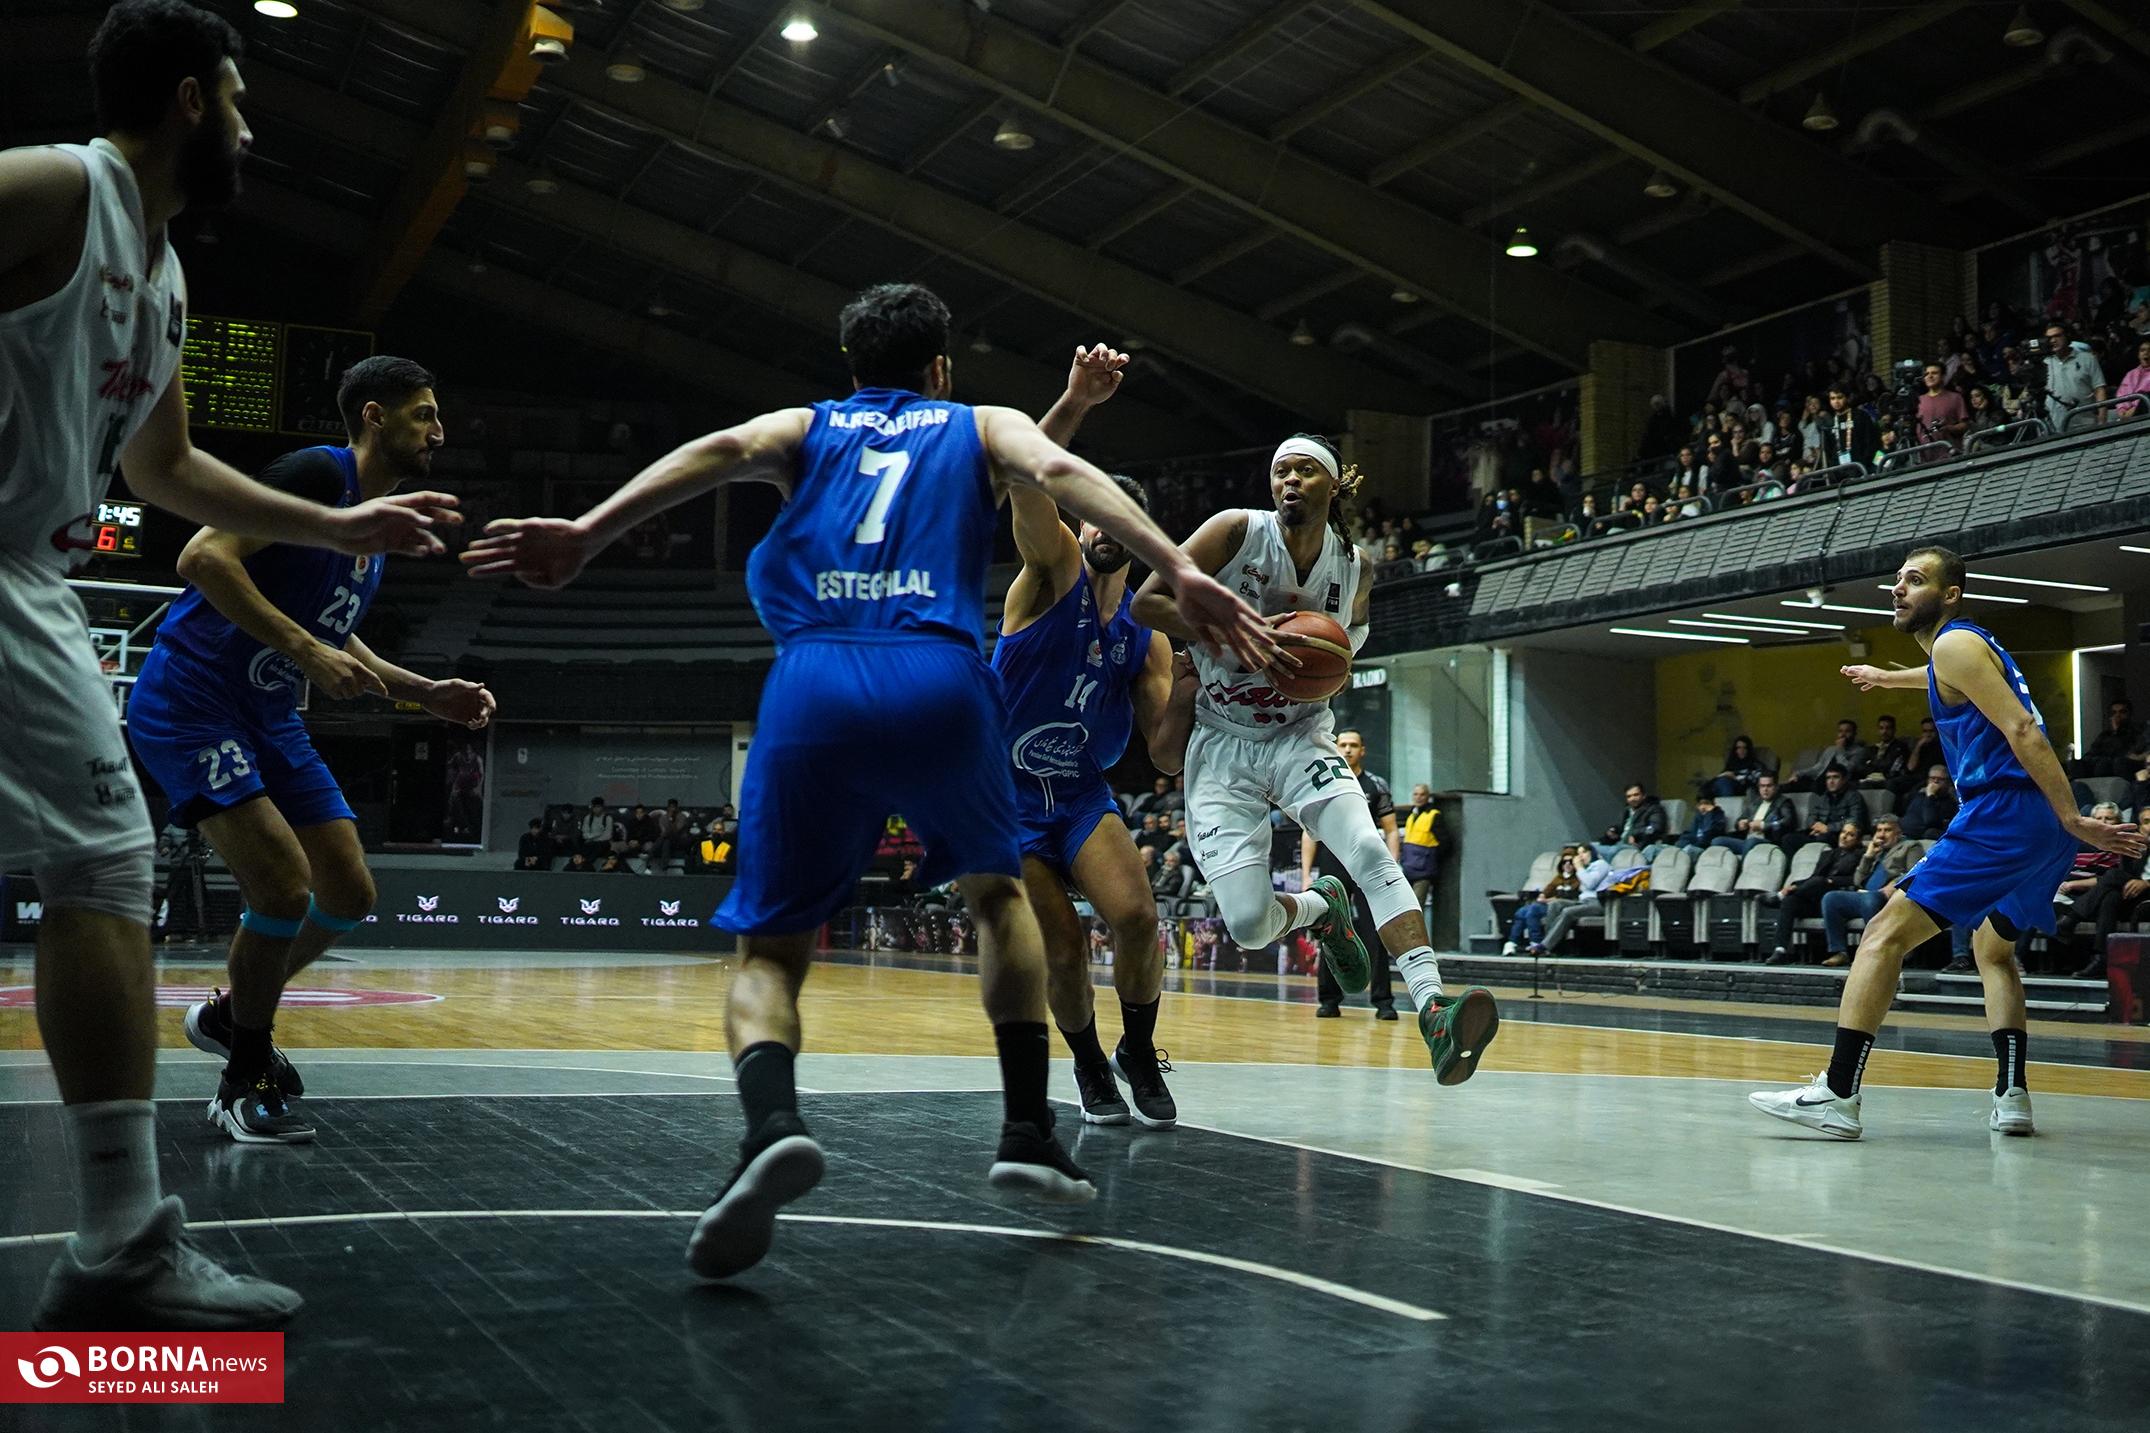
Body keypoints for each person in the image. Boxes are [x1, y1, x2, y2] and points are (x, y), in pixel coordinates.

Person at [462, 281, 1271, 1279]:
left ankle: (771, 1124)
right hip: (940, 677)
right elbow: (1059, 468)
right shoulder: (976, 424)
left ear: (851, 367)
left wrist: (588, 530)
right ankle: (1026, 1125)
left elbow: (714, 452)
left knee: (769, 952)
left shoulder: (807, 426)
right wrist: (1178, 569)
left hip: (817, 677)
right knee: (997, 900)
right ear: (941, 367)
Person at [3, 0, 459, 1331]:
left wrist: (341, 529)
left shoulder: (160, 276)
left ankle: (121, 1235)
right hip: (29, 576)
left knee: (106, 862)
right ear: (193, 98)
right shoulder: (59, 188)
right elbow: (201, 542)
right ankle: (120, 1236)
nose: (253, 130)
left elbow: (166, 470)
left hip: (32, 570)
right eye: (243, 101)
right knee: (106, 861)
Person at [130, 356, 495, 1146]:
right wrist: (304, 650)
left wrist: (424, 691)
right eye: (425, 414)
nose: (439, 431)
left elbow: (335, 631)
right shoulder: (319, 475)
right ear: (373, 415)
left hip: (265, 713)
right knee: (282, 887)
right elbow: (203, 557)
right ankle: (244, 1076)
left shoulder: (370, 525)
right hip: (193, 701)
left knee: (349, 891)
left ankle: (232, 1014)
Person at [1132, 433, 1499, 1084]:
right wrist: (1235, 629)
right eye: (1281, 471)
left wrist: (1308, 666)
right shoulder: (1235, 532)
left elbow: (1337, 658)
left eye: (1305, 470)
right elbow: (1147, 602)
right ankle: (1321, 909)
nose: (1290, 481)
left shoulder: (1355, 569)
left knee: (1370, 850)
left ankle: (1433, 1008)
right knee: (1249, 924)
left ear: (1334, 485)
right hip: (1223, 742)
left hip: (1300, 734)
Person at [1750, 546, 2143, 1140]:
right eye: (1897, 580)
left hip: (2006, 814)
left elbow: (2022, 728)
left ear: (1950, 594)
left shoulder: (1955, 644)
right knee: (1993, 951)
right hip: (2038, 827)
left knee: (1882, 935)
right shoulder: (1962, 650)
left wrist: (2076, 817)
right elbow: (1943, 677)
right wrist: (1888, 678)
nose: (1898, 589)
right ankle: (2012, 1094)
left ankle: (1837, 1093)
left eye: (1915, 580)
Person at [989, 344, 1195, 1129]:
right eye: (1092, 509)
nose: (1102, 523)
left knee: (1138, 917)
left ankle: (1137, 1049)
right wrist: (1075, 400)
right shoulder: (1053, 571)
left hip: (1077, 792)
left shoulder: (1148, 634)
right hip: (1004, 797)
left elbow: (1166, 755)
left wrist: (1195, 686)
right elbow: (1023, 476)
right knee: (1063, 946)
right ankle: (1086, 1063)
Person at [1302, 728, 1401, 1020]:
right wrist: (1306, 874)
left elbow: (1391, 829)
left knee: (1377, 931)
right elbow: (1309, 832)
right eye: (1342, 744)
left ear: (1362, 750)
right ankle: (1329, 1000)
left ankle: (1383, 1002)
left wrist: (1392, 866)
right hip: (1333, 862)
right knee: (1330, 931)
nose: (1347, 749)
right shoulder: (1322, 783)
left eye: (1353, 745)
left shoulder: (1376, 785)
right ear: (1335, 749)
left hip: (1368, 863)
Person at [1809, 817, 1919, 968]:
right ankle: (1840, 952)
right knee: (1831, 898)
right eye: (1879, 830)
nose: (1881, 835)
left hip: (1891, 896)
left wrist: (1895, 884)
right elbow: (1857, 880)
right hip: (1867, 895)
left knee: (1869, 899)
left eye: (1887, 830)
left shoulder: (1910, 846)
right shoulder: (1877, 850)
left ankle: (1879, 952)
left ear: (1898, 833)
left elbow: (1916, 873)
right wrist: (1868, 856)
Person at [1764, 822, 1867, 965]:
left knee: (1818, 882)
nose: (1844, 837)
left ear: (1858, 840)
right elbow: (1812, 878)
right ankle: (1780, 950)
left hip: (1839, 901)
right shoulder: (1828, 854)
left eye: (1851, 835)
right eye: (1843, 832)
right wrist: (1794, 886)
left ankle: (1779, 898)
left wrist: (1831, 881)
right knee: (1790, 901)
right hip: (1817, 899)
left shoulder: (1862, 856)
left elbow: (1858, 879)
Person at [1503, 852, 1581, 954]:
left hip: (1560, 906)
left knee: (1533, 910)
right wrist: (1542, 895)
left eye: (1570, 862)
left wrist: (1547, 900)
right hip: (1547, 903)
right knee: (1522, 912)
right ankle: (1512, 942)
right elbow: (1548, 889)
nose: (1567, 864)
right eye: (1564, 862)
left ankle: (1537, 942)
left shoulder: (1577, 878)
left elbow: (1568, 897)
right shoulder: (1558, 878)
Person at [1713, 772, 1798, 855]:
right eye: (1762, 786)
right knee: (1717, 841)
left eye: (1769, 786)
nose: (1765, 789)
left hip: (1768, 840)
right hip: (1746, 839)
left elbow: (1787, 822)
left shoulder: (1783, 802)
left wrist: (1763, 825)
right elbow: (1741, 819)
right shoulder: (1755, 802)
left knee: (1751, 842)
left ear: (1776, 787)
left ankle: (1744, 863)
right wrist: (1740, 824)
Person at [1400, 784, 1442, 912]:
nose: (1418, 797)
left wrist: (1430, 858)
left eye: (1422, 794)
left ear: (1428, 796)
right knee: (1404, 907)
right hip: (1408, 868)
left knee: (1416, 908)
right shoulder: (1412, 815)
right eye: (1416, 794)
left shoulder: (1433, 815)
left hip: (1423, 871)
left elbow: (1445, 842)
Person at [1598, 782, 1667, 859]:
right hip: (1620, 843)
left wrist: (1634, 834)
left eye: (1636, 795)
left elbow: (1654, 828)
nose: (1632, 799)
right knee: (1592, 847)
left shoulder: (1654, 809)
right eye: (1629, 796)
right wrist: (1613, 831)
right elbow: (1622, 828)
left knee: (1609, 851)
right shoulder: (1627, 810)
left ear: (1644, 796)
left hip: (1638, 846)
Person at [1898, 766, 1958, 839]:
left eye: (1940, 779)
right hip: (1900, 833)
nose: (1935, 781)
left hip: (1919, 838)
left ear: (1948, 783)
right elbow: (1905, 812)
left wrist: (1930, 796)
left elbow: (1931, 822)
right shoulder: (1919, 793)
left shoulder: (1950, 803)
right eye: (1932, 778)